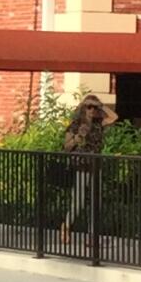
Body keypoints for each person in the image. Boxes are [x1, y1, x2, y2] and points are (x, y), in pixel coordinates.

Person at [58, 93, 108, 241]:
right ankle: (66, 225)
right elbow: (66, 147)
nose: (91, 110)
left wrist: (101, 105)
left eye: (94, 107)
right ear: (83, 109)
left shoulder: (99, 123)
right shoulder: (75, 125)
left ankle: (92, 235)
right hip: (81, 165)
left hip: (95, 165)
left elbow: (114, 117)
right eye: (88, 107)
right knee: (78, 201)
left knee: (95, 201)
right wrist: (78, 137)